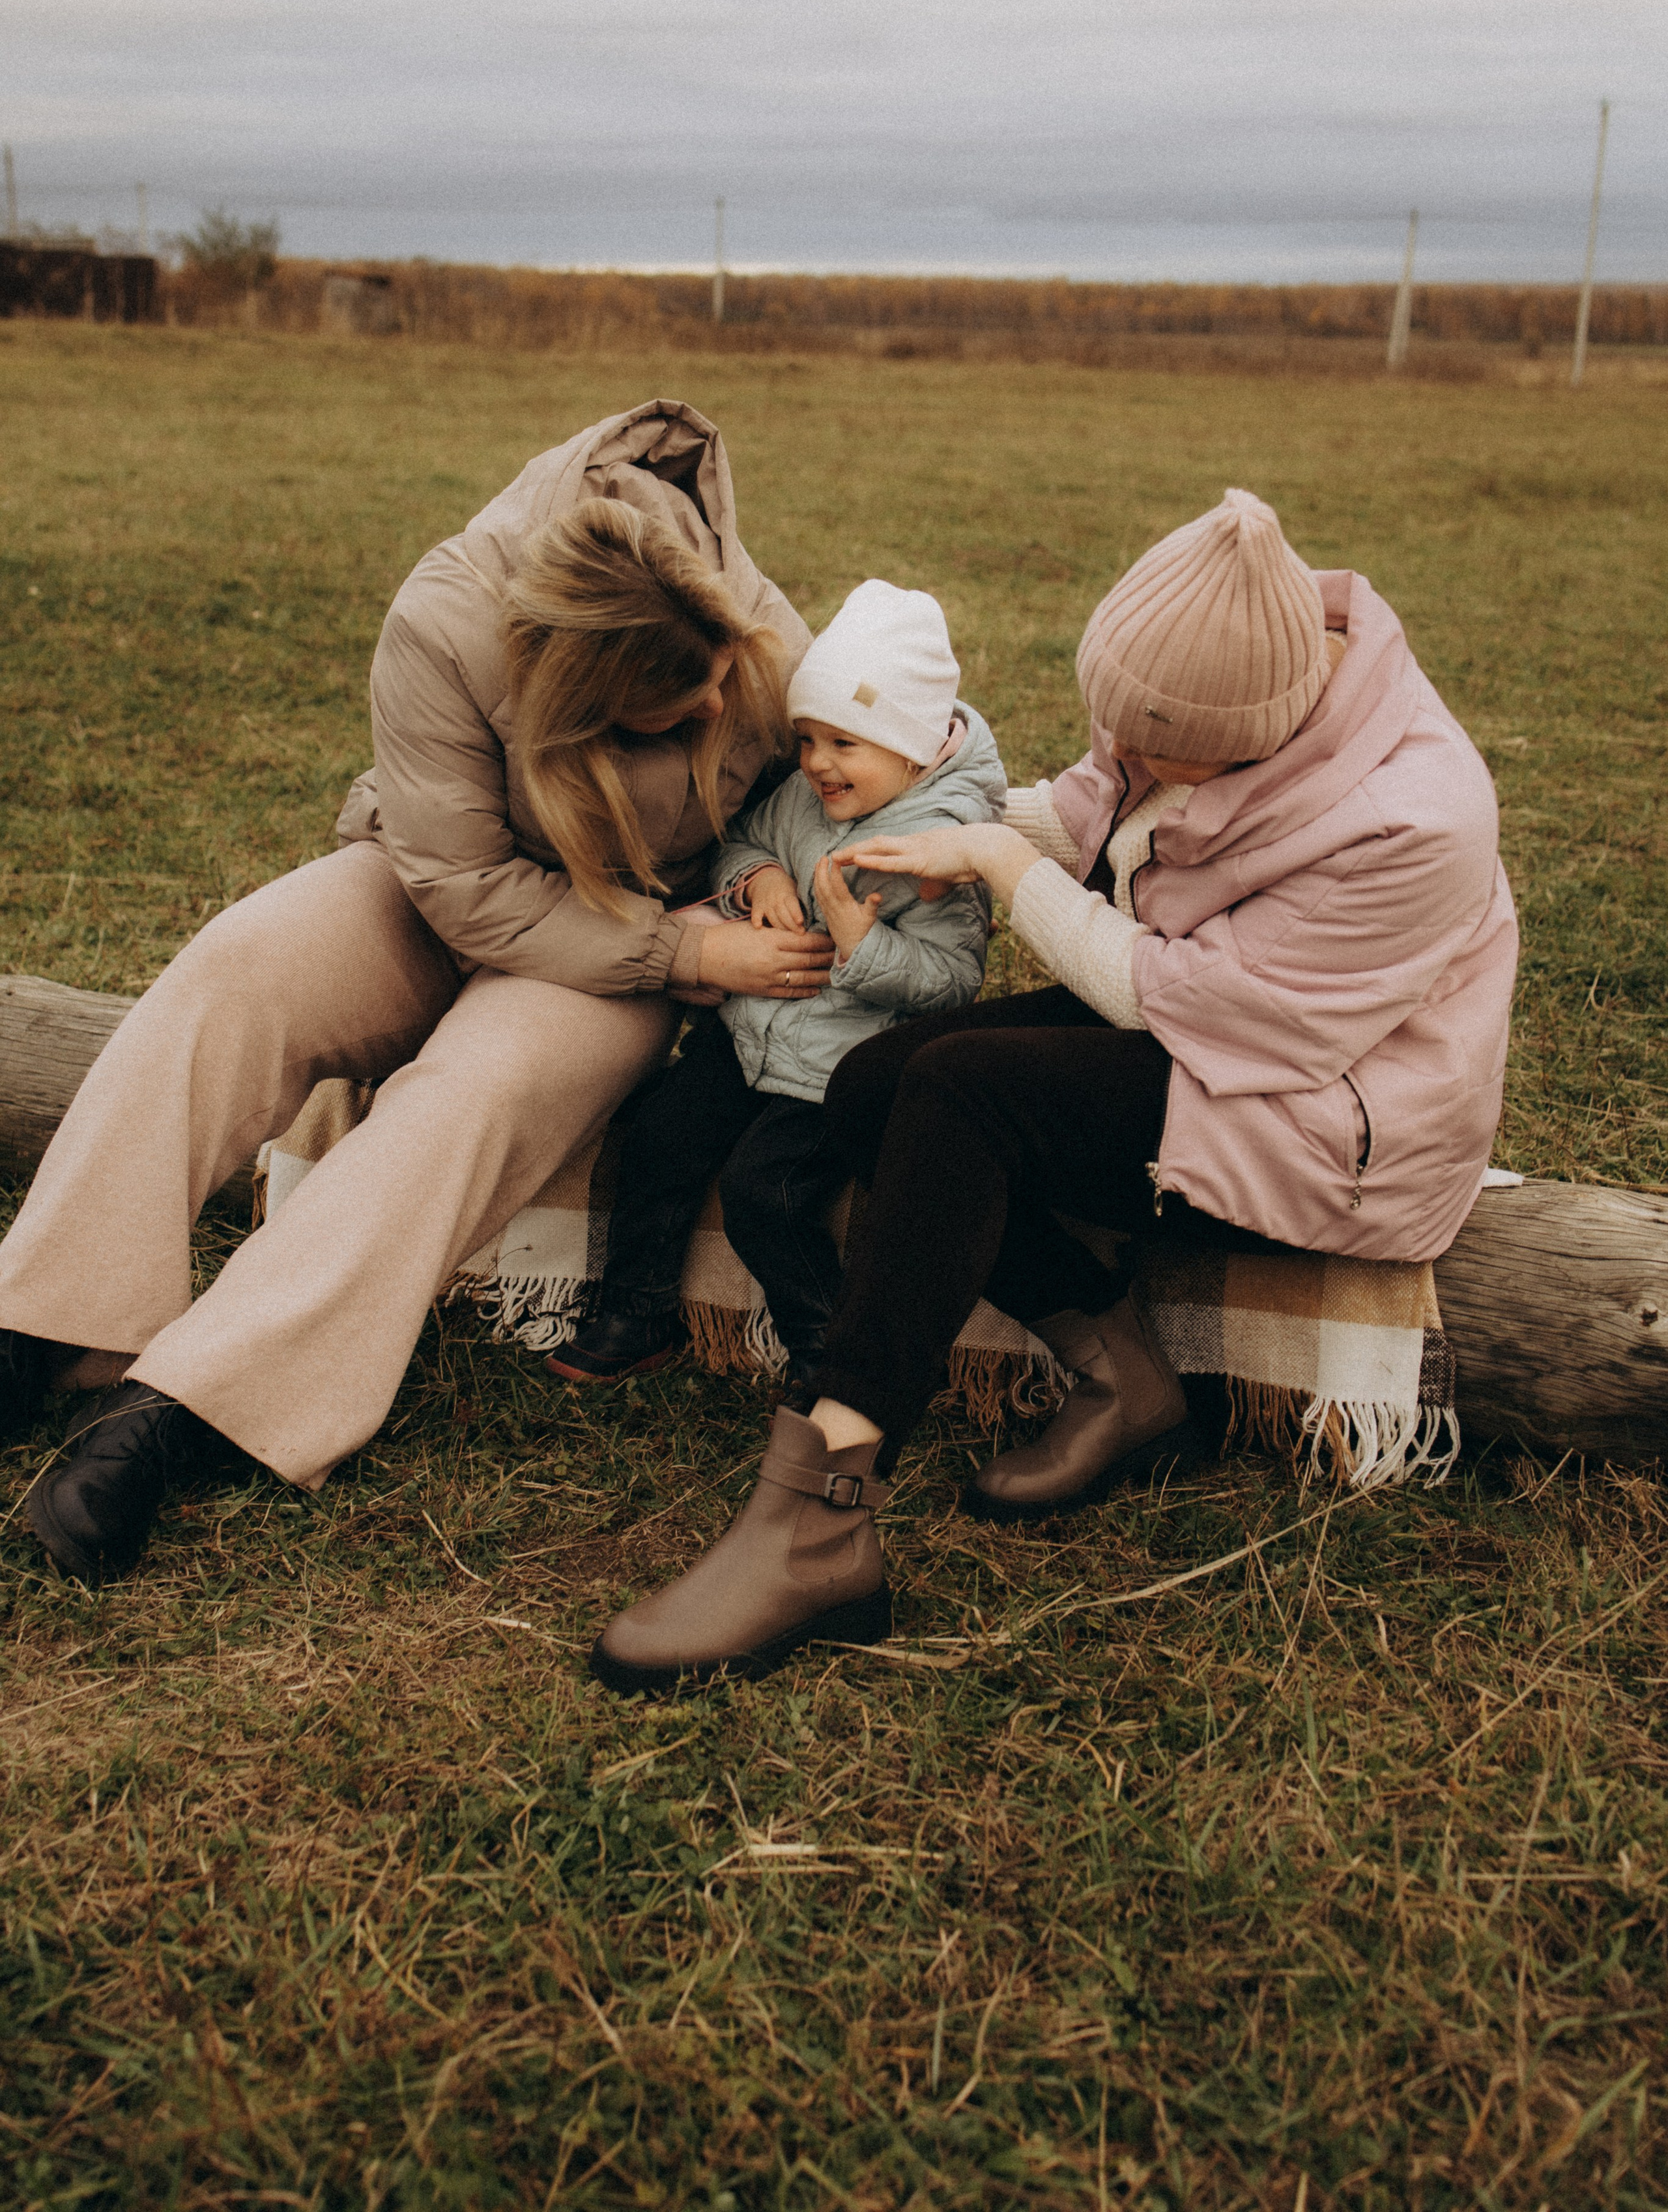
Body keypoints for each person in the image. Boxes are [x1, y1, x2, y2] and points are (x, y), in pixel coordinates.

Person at [590, 488, 1519, 1694]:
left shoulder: (1416, 821)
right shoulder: (1200, 675)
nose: (1120, 756)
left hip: (1317, 1105)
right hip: (1203, 1026)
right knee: (877, 1084)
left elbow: (1168, 999)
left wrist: (990, 858)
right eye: (1114, 728)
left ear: (1261, 729)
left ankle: (820, 1517)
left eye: (1149, 744)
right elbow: (1089, 810)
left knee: (962, 1095)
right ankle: (1125, 1378)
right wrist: (910, 823)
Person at [0, 400, 831, 1584]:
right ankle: (48, 1321)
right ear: (566, 692)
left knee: (471, 1092)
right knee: (231, 970)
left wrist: (706, 932)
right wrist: (692, 960)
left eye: (713, 691)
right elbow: (462, 882)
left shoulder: (752, 637)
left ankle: (181, 1412)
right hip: (459, 884)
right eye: (675, 712)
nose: (712, 712)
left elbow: (870, 779)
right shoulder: (448, 617)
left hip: (638, 923)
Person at [549, 580, 1007, 1402]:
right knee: (661, 1134)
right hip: (753, 1026)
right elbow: (744, 844)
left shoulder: (946, 849)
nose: (817, 764)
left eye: (844, 742)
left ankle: (829, 1352)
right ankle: (637, 1309)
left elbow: (951, 985)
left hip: (843, 1059)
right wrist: (756, 879)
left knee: (769, 1190)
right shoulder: (804, 797)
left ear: (908, 747)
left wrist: (865, 946)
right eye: (806, 739)